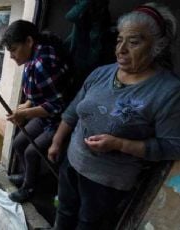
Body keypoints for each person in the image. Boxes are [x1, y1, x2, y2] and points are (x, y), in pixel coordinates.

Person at [47, 3, 180, 229]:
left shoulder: (167, 91)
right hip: (72, 162)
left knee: (88, 224)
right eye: (119, 39)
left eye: (134, 42)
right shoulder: (101, 72)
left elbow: (172, 146)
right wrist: (57, 142)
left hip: (106, 182)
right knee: (64, 210)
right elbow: (73, 111)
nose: (121, 49)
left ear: (157, 46)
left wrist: (120, 144)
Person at [0, 20, 69, 203]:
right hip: (44, 114)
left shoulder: (42, 62)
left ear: (29, 41)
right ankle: (27, 176)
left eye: (14, 50)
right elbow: (41, 91)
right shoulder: (32, 58)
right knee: (19, 143)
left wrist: (24, 114)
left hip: (58, 120)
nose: (12, 56)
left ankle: (29, 188)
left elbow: (57, 106)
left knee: (32, 151)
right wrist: (27, 104)